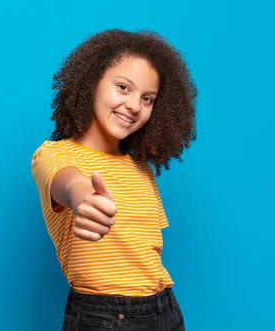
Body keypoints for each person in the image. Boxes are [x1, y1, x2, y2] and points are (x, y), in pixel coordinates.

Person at [31, 29, 197, 331]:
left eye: (147, 99)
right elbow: (68, 183)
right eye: (123, 87)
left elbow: (144, 251)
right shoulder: (53, 154)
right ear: (91, 83)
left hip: (166, 309)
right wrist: (83, 199)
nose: (135, 105)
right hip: (105, 317)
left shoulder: (141, 169)